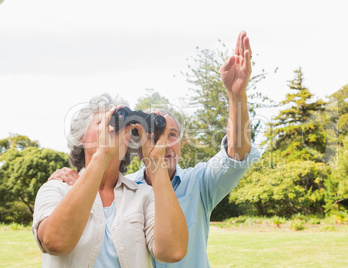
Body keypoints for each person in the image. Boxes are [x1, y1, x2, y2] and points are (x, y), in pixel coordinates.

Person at [48, 31, 261, 267]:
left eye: (172, 135)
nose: (166, 144)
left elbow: (237, 155)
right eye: (156, 136)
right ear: (136, 145)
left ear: (181, 143)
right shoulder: (126, 190)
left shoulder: (199, 183)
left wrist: (236, 95)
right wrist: (73, 176)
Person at [32, 93, 188, 267]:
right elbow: (55, 243)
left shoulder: (143, 196)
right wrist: (102, 155)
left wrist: (156, 162)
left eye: (122, 126)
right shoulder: (57, 188)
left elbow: (173, 252)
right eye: (102, 123)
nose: (113, 130)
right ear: (82, 138)